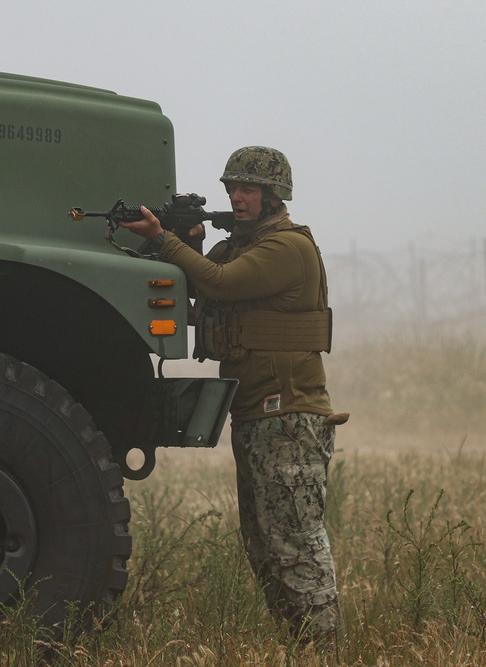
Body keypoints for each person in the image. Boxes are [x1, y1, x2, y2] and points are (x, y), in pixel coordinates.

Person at [121, 146, 342, 642]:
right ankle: (298, 644)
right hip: (256, 413)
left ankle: (322, 649)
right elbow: (197, 284)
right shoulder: (242, 245)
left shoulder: (286, 248)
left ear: (274, 195)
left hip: (289, 416)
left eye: (248, 190)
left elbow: (219, 284)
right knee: (262, 545)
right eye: (232, 189)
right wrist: (188, 242)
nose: (237, 198)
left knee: (296, 545)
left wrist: (163, 239)